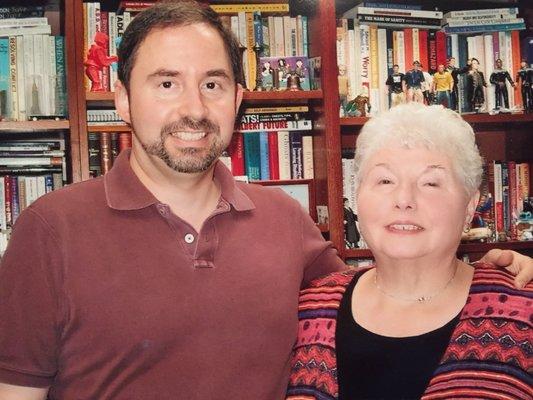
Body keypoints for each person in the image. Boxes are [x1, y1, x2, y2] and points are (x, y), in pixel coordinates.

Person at [0, 2, 532, 399]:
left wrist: (494, 268)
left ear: (237, 98)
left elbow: (385, 286)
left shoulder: (284, 220)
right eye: (166, 84)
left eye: (212, 84)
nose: (193, 108)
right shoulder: (50, 230)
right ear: (122, 99)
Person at [286, 103, 532, 400]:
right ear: (357, 197)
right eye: (385, 180)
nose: (404, 200)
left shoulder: (521, 310)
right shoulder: (308, 309)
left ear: (470, 206)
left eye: (430, 183)